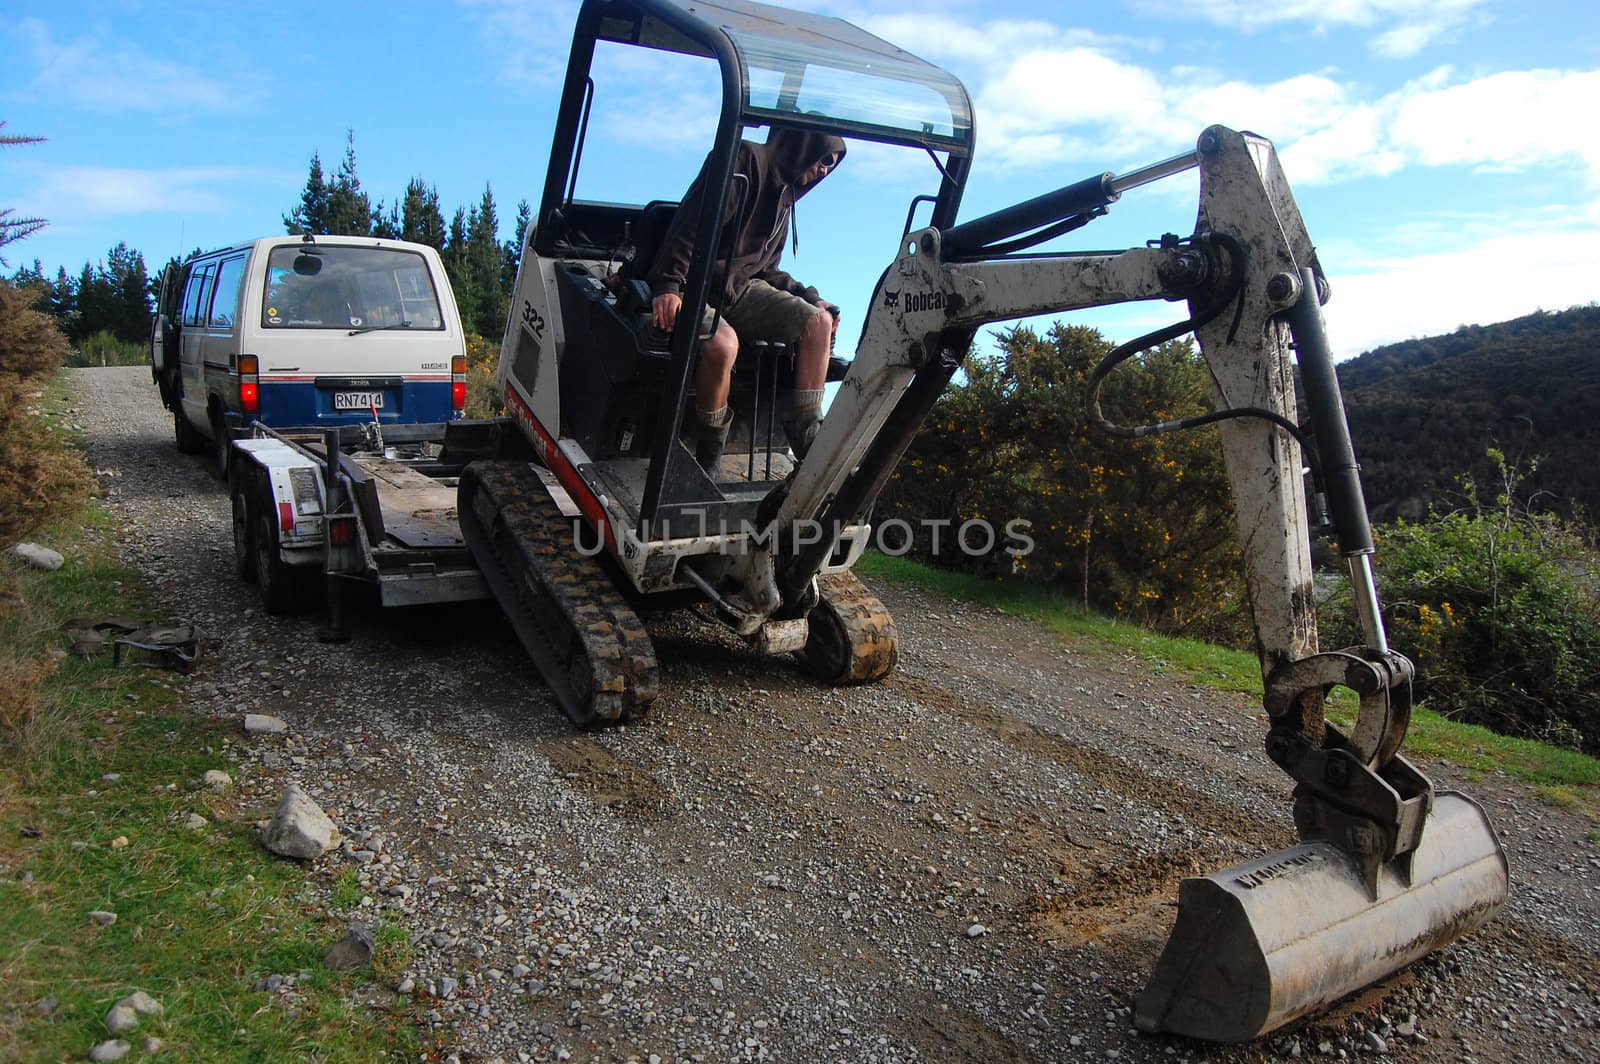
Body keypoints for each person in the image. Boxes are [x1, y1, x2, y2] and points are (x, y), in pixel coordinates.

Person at [646, 124, 847, 476]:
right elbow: (690, 225)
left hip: (738, 289)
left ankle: (806, 432)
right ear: (803, 145)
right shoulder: (745, 163)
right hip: (693, 283)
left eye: (832, 165)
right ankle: (710, 449)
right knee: (723, 344)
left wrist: (812, 299)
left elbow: (766, 268)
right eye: (824, 159)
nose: (825, 170)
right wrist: (667, 284)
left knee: (818, 323)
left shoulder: (785, 200)